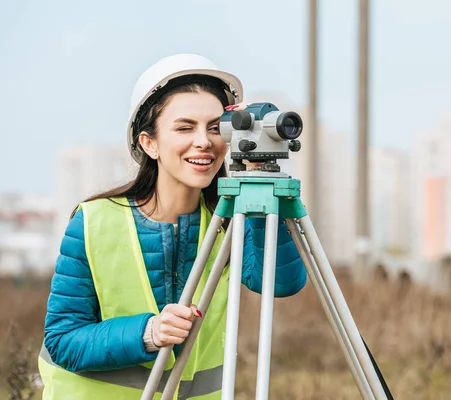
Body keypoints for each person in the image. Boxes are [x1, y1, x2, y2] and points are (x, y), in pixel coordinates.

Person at [38, 54, 307, 400]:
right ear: (149, 143)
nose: (204, 142)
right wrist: (149, 332)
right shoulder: (94, 220)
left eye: (215, 127)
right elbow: (62, 340)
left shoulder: (228, 222)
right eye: (185, 127)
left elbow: (279, 283)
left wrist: (257, 179)